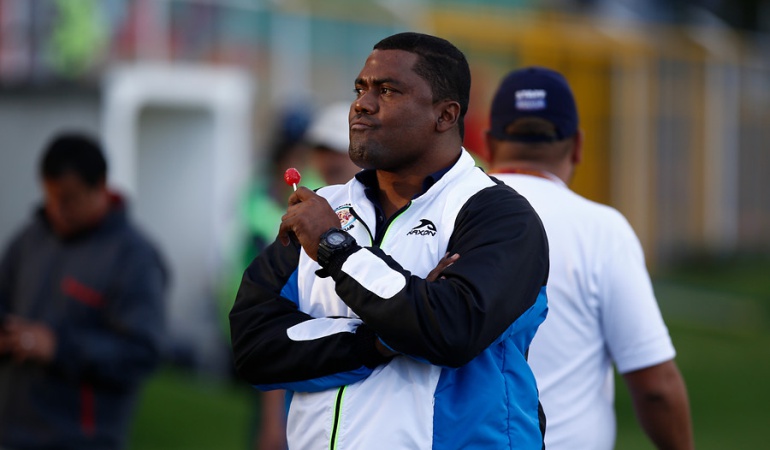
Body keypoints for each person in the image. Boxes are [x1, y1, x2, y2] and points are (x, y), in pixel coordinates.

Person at [229, 31, 549, 449]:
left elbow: (451, 330)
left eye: (388, 90)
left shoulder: (500, 215)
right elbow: (253, 347)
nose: (362, 103)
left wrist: (333, 246)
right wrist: (378, 339)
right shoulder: (324, 206)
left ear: (445, 115)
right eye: (360, 88)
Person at [485, 66, 694, 450]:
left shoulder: (447, 214)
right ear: (578, 145)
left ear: (489, 143)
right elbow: (656, 388)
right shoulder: (602, 228)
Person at [0, 132, 168, 450]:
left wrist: (58, 347)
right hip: (12, 432)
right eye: (49, 197)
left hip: (82, 440)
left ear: (101, 187)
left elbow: (141, 352)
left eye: (68, 198)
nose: (56, 209)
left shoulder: (134, 257)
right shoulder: (30, 239)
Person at [303, 101, 362, 185]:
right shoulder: (306, 188)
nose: (329, 161)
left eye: (338, 151)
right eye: (322, 151)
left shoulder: (377, 190)